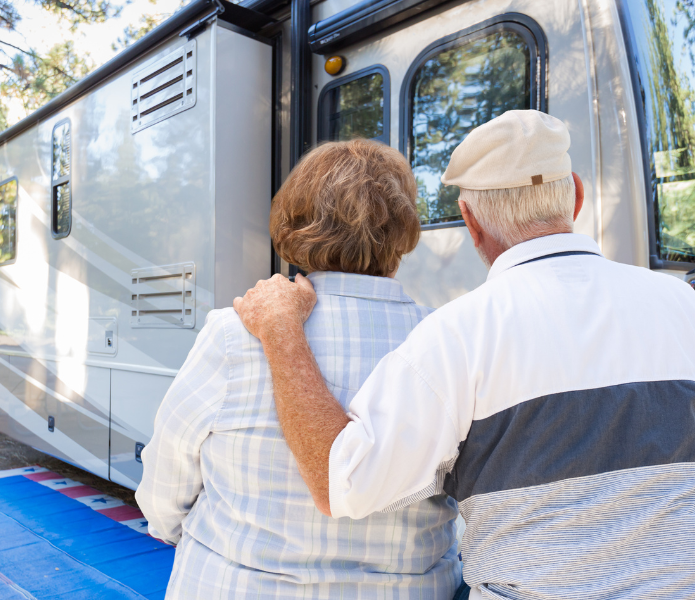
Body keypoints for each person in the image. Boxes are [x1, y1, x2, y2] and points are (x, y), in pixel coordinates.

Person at [233, 110, 695, 600]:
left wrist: (281, 332)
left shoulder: (456, 334)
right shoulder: (679, 302)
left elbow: (340, 484)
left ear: (470, 221)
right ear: (574, 195)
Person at [136, 139, 462, 599]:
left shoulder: (234, 333)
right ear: (404, 229)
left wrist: (171, 528)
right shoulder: (446, 340)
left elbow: (168, 473)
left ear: (294, 223)